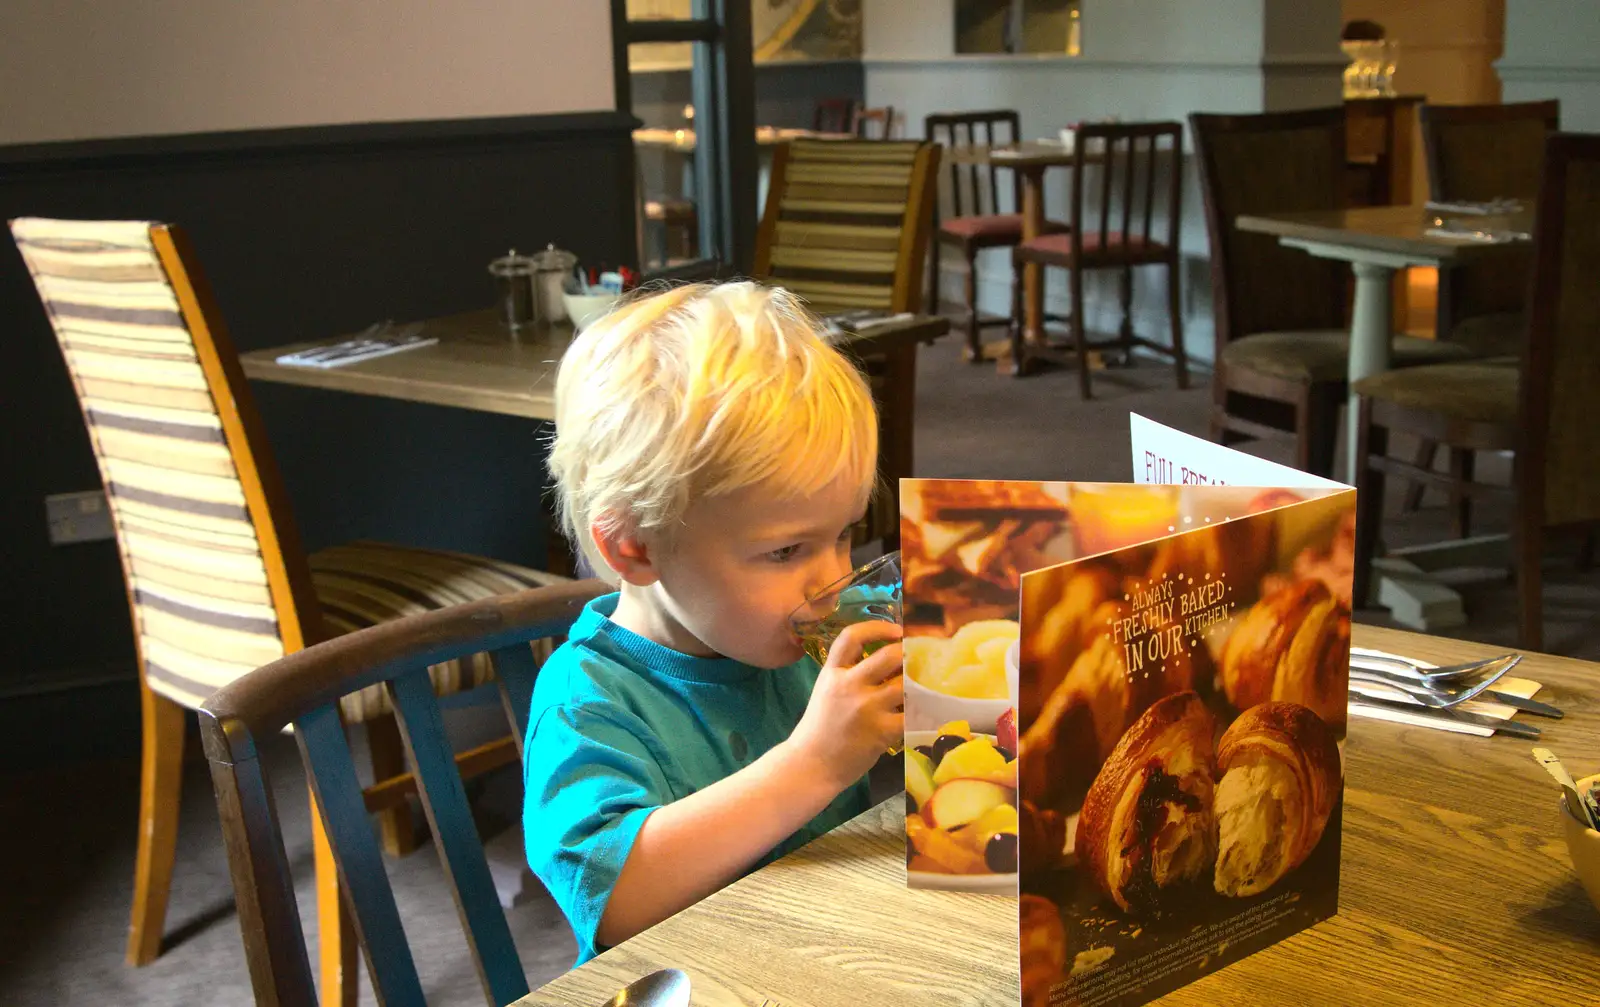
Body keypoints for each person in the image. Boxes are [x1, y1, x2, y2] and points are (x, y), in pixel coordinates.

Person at [525, 281, 904, 964]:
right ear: (634, 547)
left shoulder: (795, 640)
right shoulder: (587, 702)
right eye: (787, 550)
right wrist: (815, 762)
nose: (830, 580)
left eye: (844, 534)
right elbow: (616, 900)